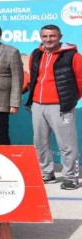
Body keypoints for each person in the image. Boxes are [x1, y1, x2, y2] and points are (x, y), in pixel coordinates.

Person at [25, 24, 82, 189]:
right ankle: (46, 173)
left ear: (60, 37)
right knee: (40, 142)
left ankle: (71, 177)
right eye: (45, 36)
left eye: (52, 36)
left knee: (66, 144)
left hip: (60, 106)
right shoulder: (36, 54)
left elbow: (80, 81)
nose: (48, 39)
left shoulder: (73, 56)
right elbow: (34, 77)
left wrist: (70, 99)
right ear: (41, 37)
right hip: (37, 105)